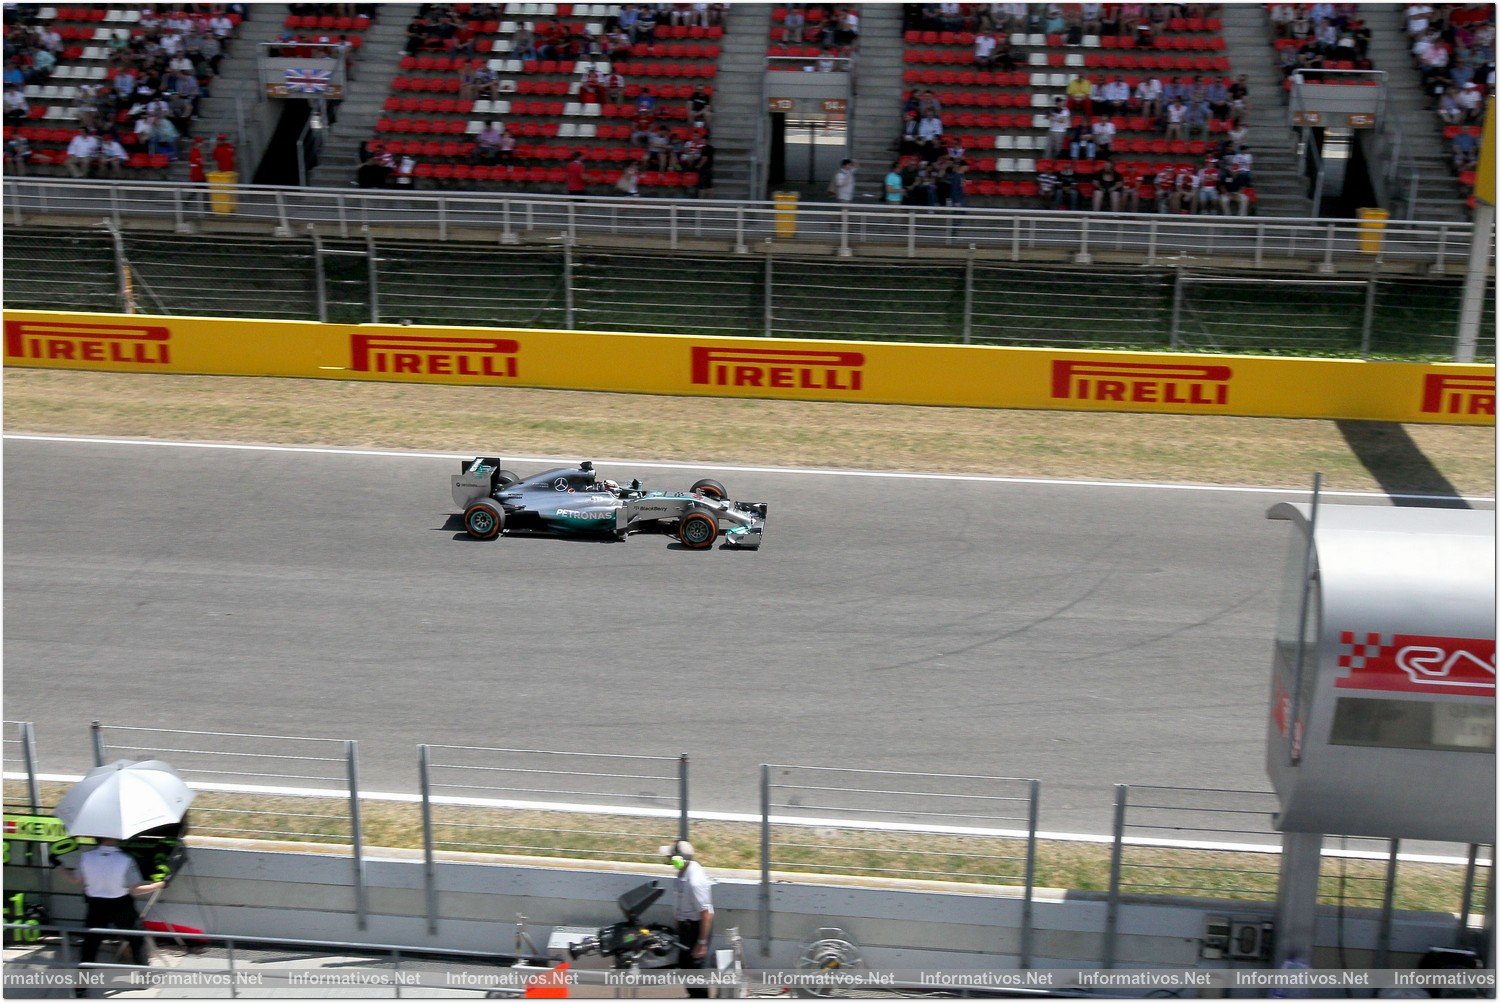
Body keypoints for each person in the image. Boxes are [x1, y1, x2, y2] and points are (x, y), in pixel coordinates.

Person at [62, 838, 165, 978]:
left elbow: (75, 880)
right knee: (137, 939)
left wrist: (60, 866)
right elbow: (136, 890)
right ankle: (144, 977)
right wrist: (160, 884)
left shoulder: (86, 857)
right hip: (121, 904)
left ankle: (81, 986)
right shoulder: (125, 859)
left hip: (95, 905)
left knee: (90, 945)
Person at [659, 840, 713, 999]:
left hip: (696, 928)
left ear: (678, 859)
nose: (668, 860)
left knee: (695, 969)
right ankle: (693, 996)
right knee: (684, 964)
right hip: (686, 927)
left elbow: (707, 913)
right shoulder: (683, 872)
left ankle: (701, 998)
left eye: (671, 857)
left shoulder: (694, 881)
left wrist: (701, 943)